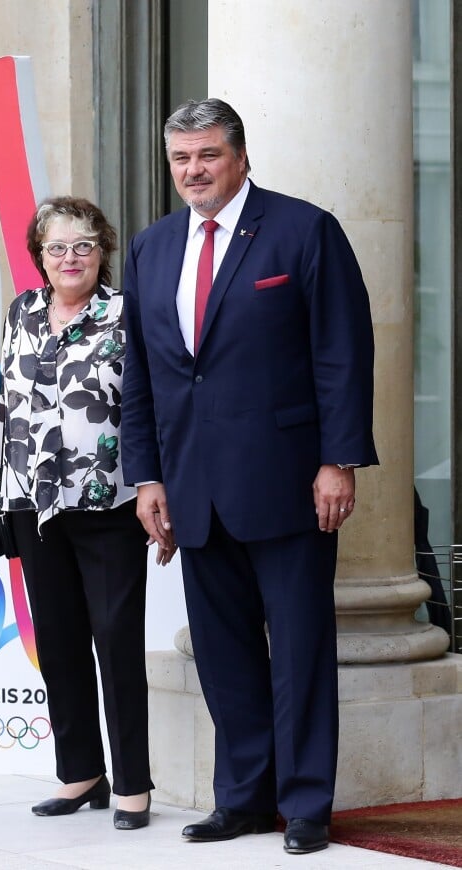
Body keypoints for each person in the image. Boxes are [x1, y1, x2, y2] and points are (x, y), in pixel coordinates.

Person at [121, 99, 378, 854]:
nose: (193, 171)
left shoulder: (305, 231)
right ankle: (242, 798)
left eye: (207, 155)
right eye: (180, 160)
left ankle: (304, 806)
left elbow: (342, 353)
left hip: (290, 481)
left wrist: (339, 459)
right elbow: (142, 375)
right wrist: (147, 478)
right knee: (224, 653)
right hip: (191, 487)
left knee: (298, 649)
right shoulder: (150, 248)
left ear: (240, 156)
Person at [0, 196, 165, 831]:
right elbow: (7, 402)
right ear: (40, 257)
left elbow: (146, 407)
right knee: (56, 645)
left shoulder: (124, 314)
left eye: (83, 244)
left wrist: (149, 484)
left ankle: (132, 783)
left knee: (115, 643)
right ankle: (80, 772)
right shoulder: (22, 312)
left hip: (107, 502)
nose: (70, 257)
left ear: (102, 250)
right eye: (57, 247)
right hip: (32, 502)